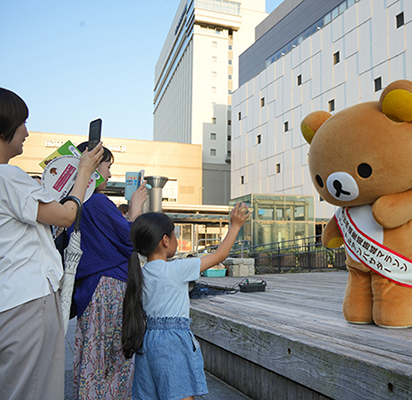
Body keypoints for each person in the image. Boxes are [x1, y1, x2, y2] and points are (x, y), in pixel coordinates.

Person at [0, 87, 104, 400]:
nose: (26, 132)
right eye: (22, 122)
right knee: (34, 389)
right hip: (26, 300)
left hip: (8, 299)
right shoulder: (8, 177)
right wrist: (84, 172)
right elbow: (66, 215)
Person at [122, 203, 250, 400]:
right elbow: (220, 256)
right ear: (165, 240)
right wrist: (235, 226)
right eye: (175, 235)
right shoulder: (177, 269)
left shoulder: (140, 274)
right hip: (172, 342)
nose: (177, 240)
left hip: (146, 343)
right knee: (181, 393)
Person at [71, 141, 148, 399]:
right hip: (109, 290)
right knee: (114, 364)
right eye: (107, 165)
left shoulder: (74, 201)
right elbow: (131, 238)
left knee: (92, 362)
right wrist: (135, 209)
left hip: (89, 291)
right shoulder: (97, 201)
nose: (110, 173)